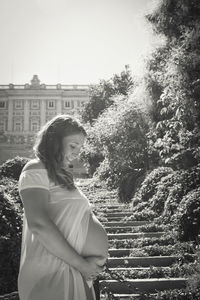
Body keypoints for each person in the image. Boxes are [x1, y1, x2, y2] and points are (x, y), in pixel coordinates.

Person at [18, 114, 108, 300]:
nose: (77, 152)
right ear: (54, 141)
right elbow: (39, 224)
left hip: (72, 269)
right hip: (52, 272)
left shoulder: (62, 175)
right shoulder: (35, 168)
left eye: (80, 147)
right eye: (73, 145)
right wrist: (83, 266)